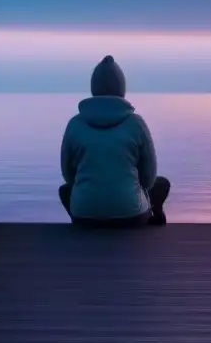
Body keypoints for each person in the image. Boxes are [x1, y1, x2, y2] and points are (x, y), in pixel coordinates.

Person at [59, 55, 170, 227]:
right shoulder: (136, 124)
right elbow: (148, 179)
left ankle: (81, 222)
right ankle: (156, 217)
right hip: (131, 216)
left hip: (84, 216)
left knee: (65, 191)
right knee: (160, 184)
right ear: (122, 88)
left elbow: (68, 176)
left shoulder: (75, 125)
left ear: (93, 88)